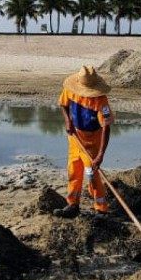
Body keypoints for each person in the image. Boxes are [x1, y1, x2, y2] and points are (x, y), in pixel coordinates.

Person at [54, 65, 113, 219]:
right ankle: (73, 204)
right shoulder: (70, 90)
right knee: (73, 171)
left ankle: (101, 209)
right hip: (75, 138)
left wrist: (100, 155)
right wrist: (68, 122)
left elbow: (106, 128)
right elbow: (63, 104)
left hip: (92, 143)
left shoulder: (101, 101)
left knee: (92, 174)